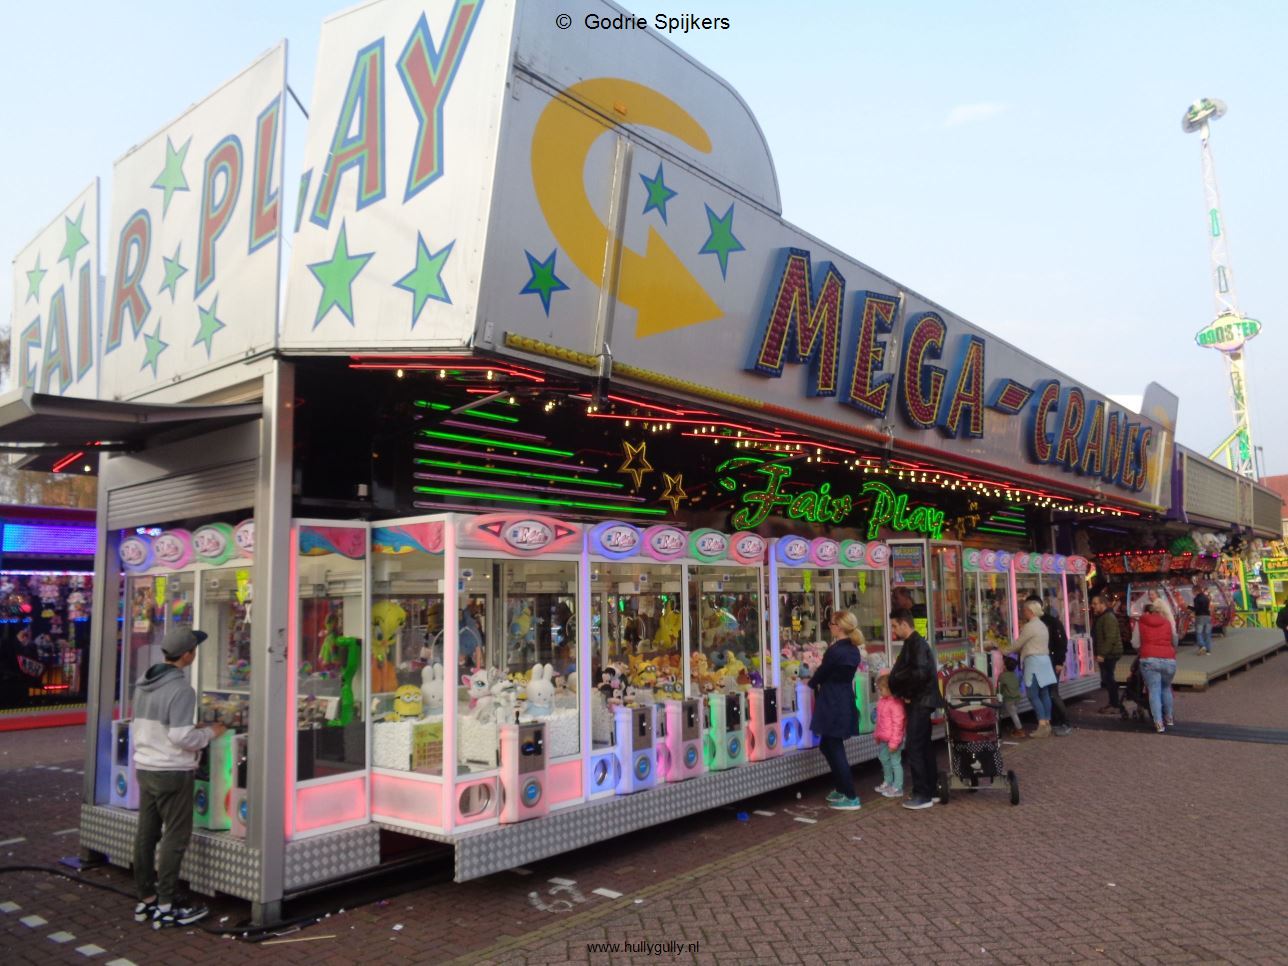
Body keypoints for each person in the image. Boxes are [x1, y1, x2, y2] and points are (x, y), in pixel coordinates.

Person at [132, 627, 226, 928]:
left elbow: (161, 726)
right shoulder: (182, 689)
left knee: (146, 834)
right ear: (187, 655)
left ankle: (146, 898)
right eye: (194, 649)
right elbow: (180, 737)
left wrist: (190, 727)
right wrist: (211, 733)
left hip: (145, 767)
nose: (195, 653)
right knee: (175, 836)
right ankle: (166, 904)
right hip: (172, 770)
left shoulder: (144, 683)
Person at [808, 612, 864, 810]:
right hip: (844, 697)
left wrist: (810, 683)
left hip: (832, 699)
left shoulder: (835, 650)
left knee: (834, 746)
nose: (829, 626)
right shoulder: (853, 649)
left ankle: (850, 795)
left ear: (839, 627)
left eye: (831, 624)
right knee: (828, 745)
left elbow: (823, 672)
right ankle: (841, 789)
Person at [887, 608, 941, 810]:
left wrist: (907, 692)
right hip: (921, 700)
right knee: (923, 745)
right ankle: (930, 789)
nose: (893, 630)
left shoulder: (916, 644)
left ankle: (922, 793)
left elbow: (919, 673)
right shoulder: (915, 643)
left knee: (915, 746)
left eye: (894, 626)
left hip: (919, 701)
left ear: (904, 624)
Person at [1006, 599, 1055, 738]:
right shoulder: (1042, 625)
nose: (1023, 612)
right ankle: (1047, 722)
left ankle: (1042, 724)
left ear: (1030, 611)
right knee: (1044, 693)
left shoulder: (1029, 627)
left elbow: (1018, 644)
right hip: (1045, 661)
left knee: (1032, 694)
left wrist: (1004, 650)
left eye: (1025, 610)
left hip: (1033, 663)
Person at [1025, 594, 1073, 737]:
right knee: (1046, 693)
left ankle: (1064, 722)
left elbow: (1061, 642)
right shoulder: (1036, 622)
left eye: (1027, 607)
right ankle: (1050, 721)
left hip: (1050, 661)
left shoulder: (1050, 622)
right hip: (1044, 662)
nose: (1025, 610)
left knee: (1051, 692)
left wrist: (1059, 661)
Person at [1137, 602, 1178, 733]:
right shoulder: (1167, 622)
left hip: (1149, 658)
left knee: (1154, 690)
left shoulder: (1141, 622)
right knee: (1166, 688)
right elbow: (1174, 640)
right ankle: (1169, 718)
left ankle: (1159, 723)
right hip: (1169, 659)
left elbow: (1135, 642)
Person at [872, 670, 906, 798]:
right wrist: (877, 735)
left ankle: (898, 787)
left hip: (893, 740)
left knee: (895, 762)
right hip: (884, 739)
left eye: (881, 689)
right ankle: (888, 782)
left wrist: (894, 742)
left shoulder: (896, 704)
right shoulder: (882, 702)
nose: (880, 692)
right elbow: (879, 721)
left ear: (889, 688)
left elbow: (898, 724)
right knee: (884, 760)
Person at [1091, 595, 1123, 715]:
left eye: (1095, 604)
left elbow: (1110, 638)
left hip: (1110, 653)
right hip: (1108, 653)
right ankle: (1113, 703)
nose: (1093, 606)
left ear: (1102, 604)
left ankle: (1115, 704)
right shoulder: (1102, 617)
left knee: (1109, 678)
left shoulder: (1108, 617)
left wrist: (1102, 654)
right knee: (1107, 678)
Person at [998, 655, 1025, 738]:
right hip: (1017, 697)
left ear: (1005, 666)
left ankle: (1020, 731)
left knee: (1013, 715)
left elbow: (999, 688)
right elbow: (1019, 683)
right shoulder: (1015, 674)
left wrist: (998, 696)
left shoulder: (1002, 676)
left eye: (1003, 664)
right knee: (1015, 713)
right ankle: (1016, 729)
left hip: (1009, 699)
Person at [1191, 584, 1212, 655]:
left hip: (1200, 617)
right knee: (1207, 633)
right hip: (1208, 616)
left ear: (1196, 591)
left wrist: (1188, 607)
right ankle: (1208, 650)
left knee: (1199, 633)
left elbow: (1196, 609)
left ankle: (1202, 645)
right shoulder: (1206, 598)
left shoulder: (1196, 599)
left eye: (1193, 591)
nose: (1192, 593)